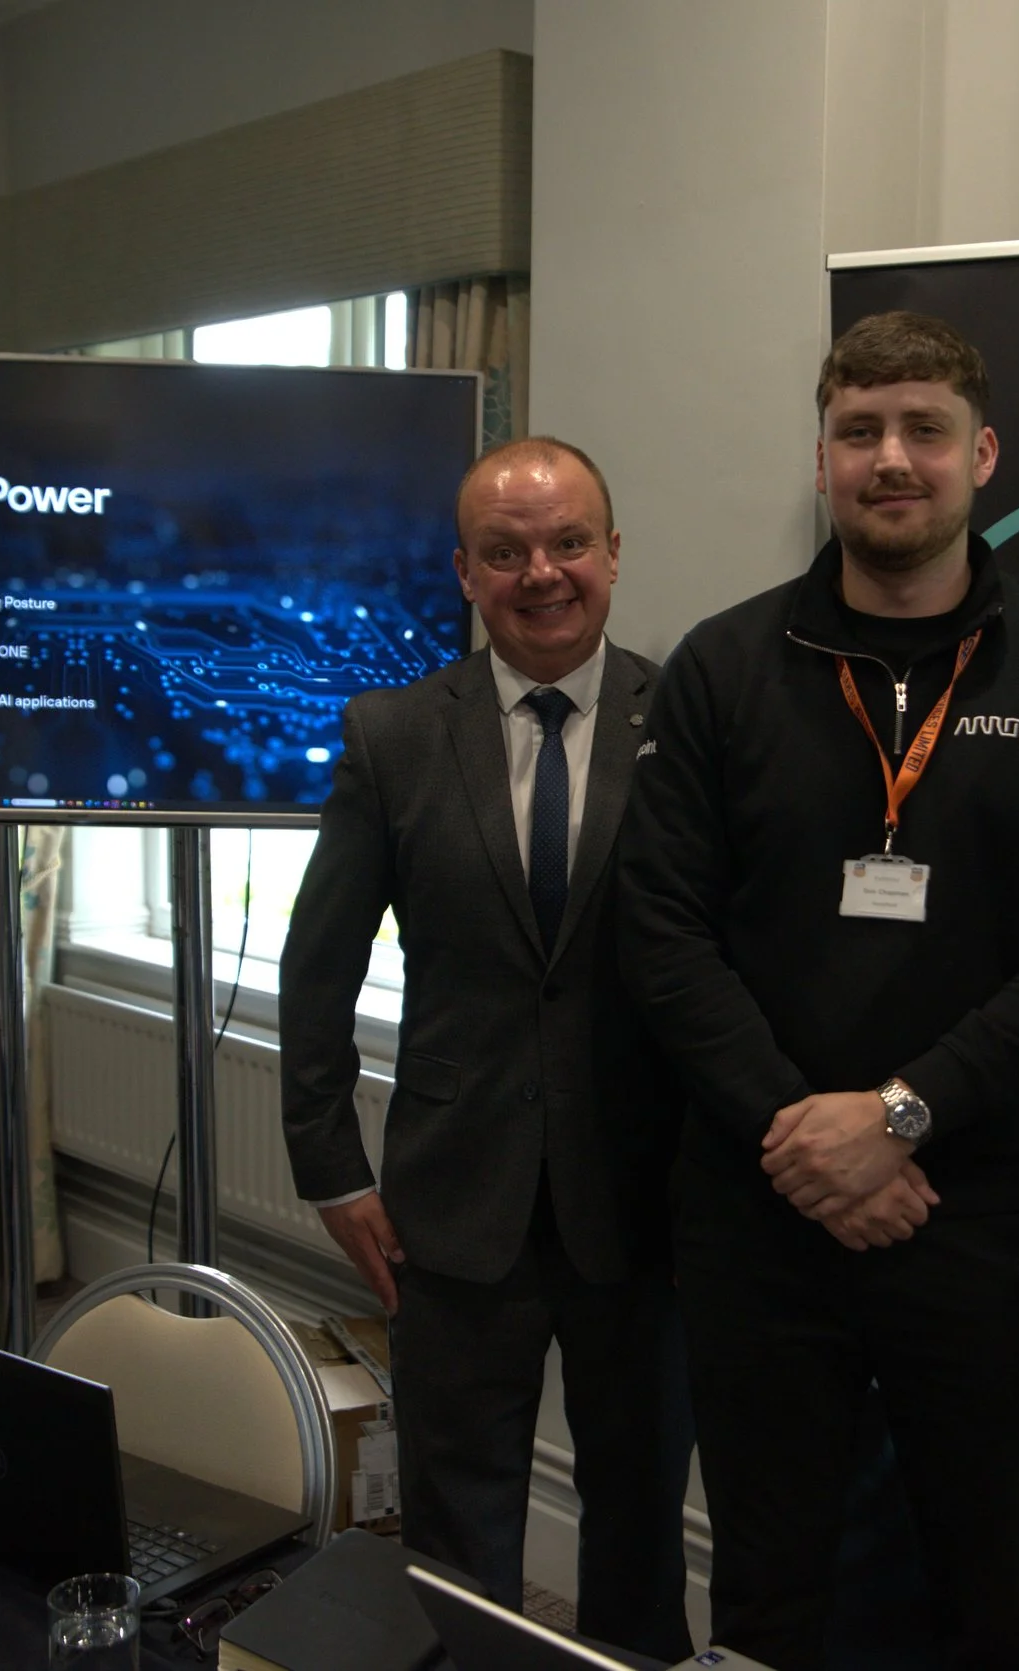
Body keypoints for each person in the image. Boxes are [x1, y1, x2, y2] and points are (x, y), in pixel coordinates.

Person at [615, 310, 1019, 1669]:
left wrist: (900, 1118)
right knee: (766, 1594)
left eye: (922, 429)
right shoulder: (722, 670)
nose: (891, 459)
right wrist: (806, 1134)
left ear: (982, 454)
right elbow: (664, 935)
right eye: (860, 431)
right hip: (757, 1208)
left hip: (974, 1208)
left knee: (995, 1594)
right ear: (822, 459)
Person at [279, 436, 693, 1661]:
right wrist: (331, 1167)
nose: (542, 573)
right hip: (452, 1205)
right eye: (505, 552)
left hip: (647, 1202)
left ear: (613, 556)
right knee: (458, 1533)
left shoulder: (694, 721)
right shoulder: (394, 734)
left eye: (569, 543)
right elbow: (320, 963)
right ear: (464, 571)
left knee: (638, 1523)